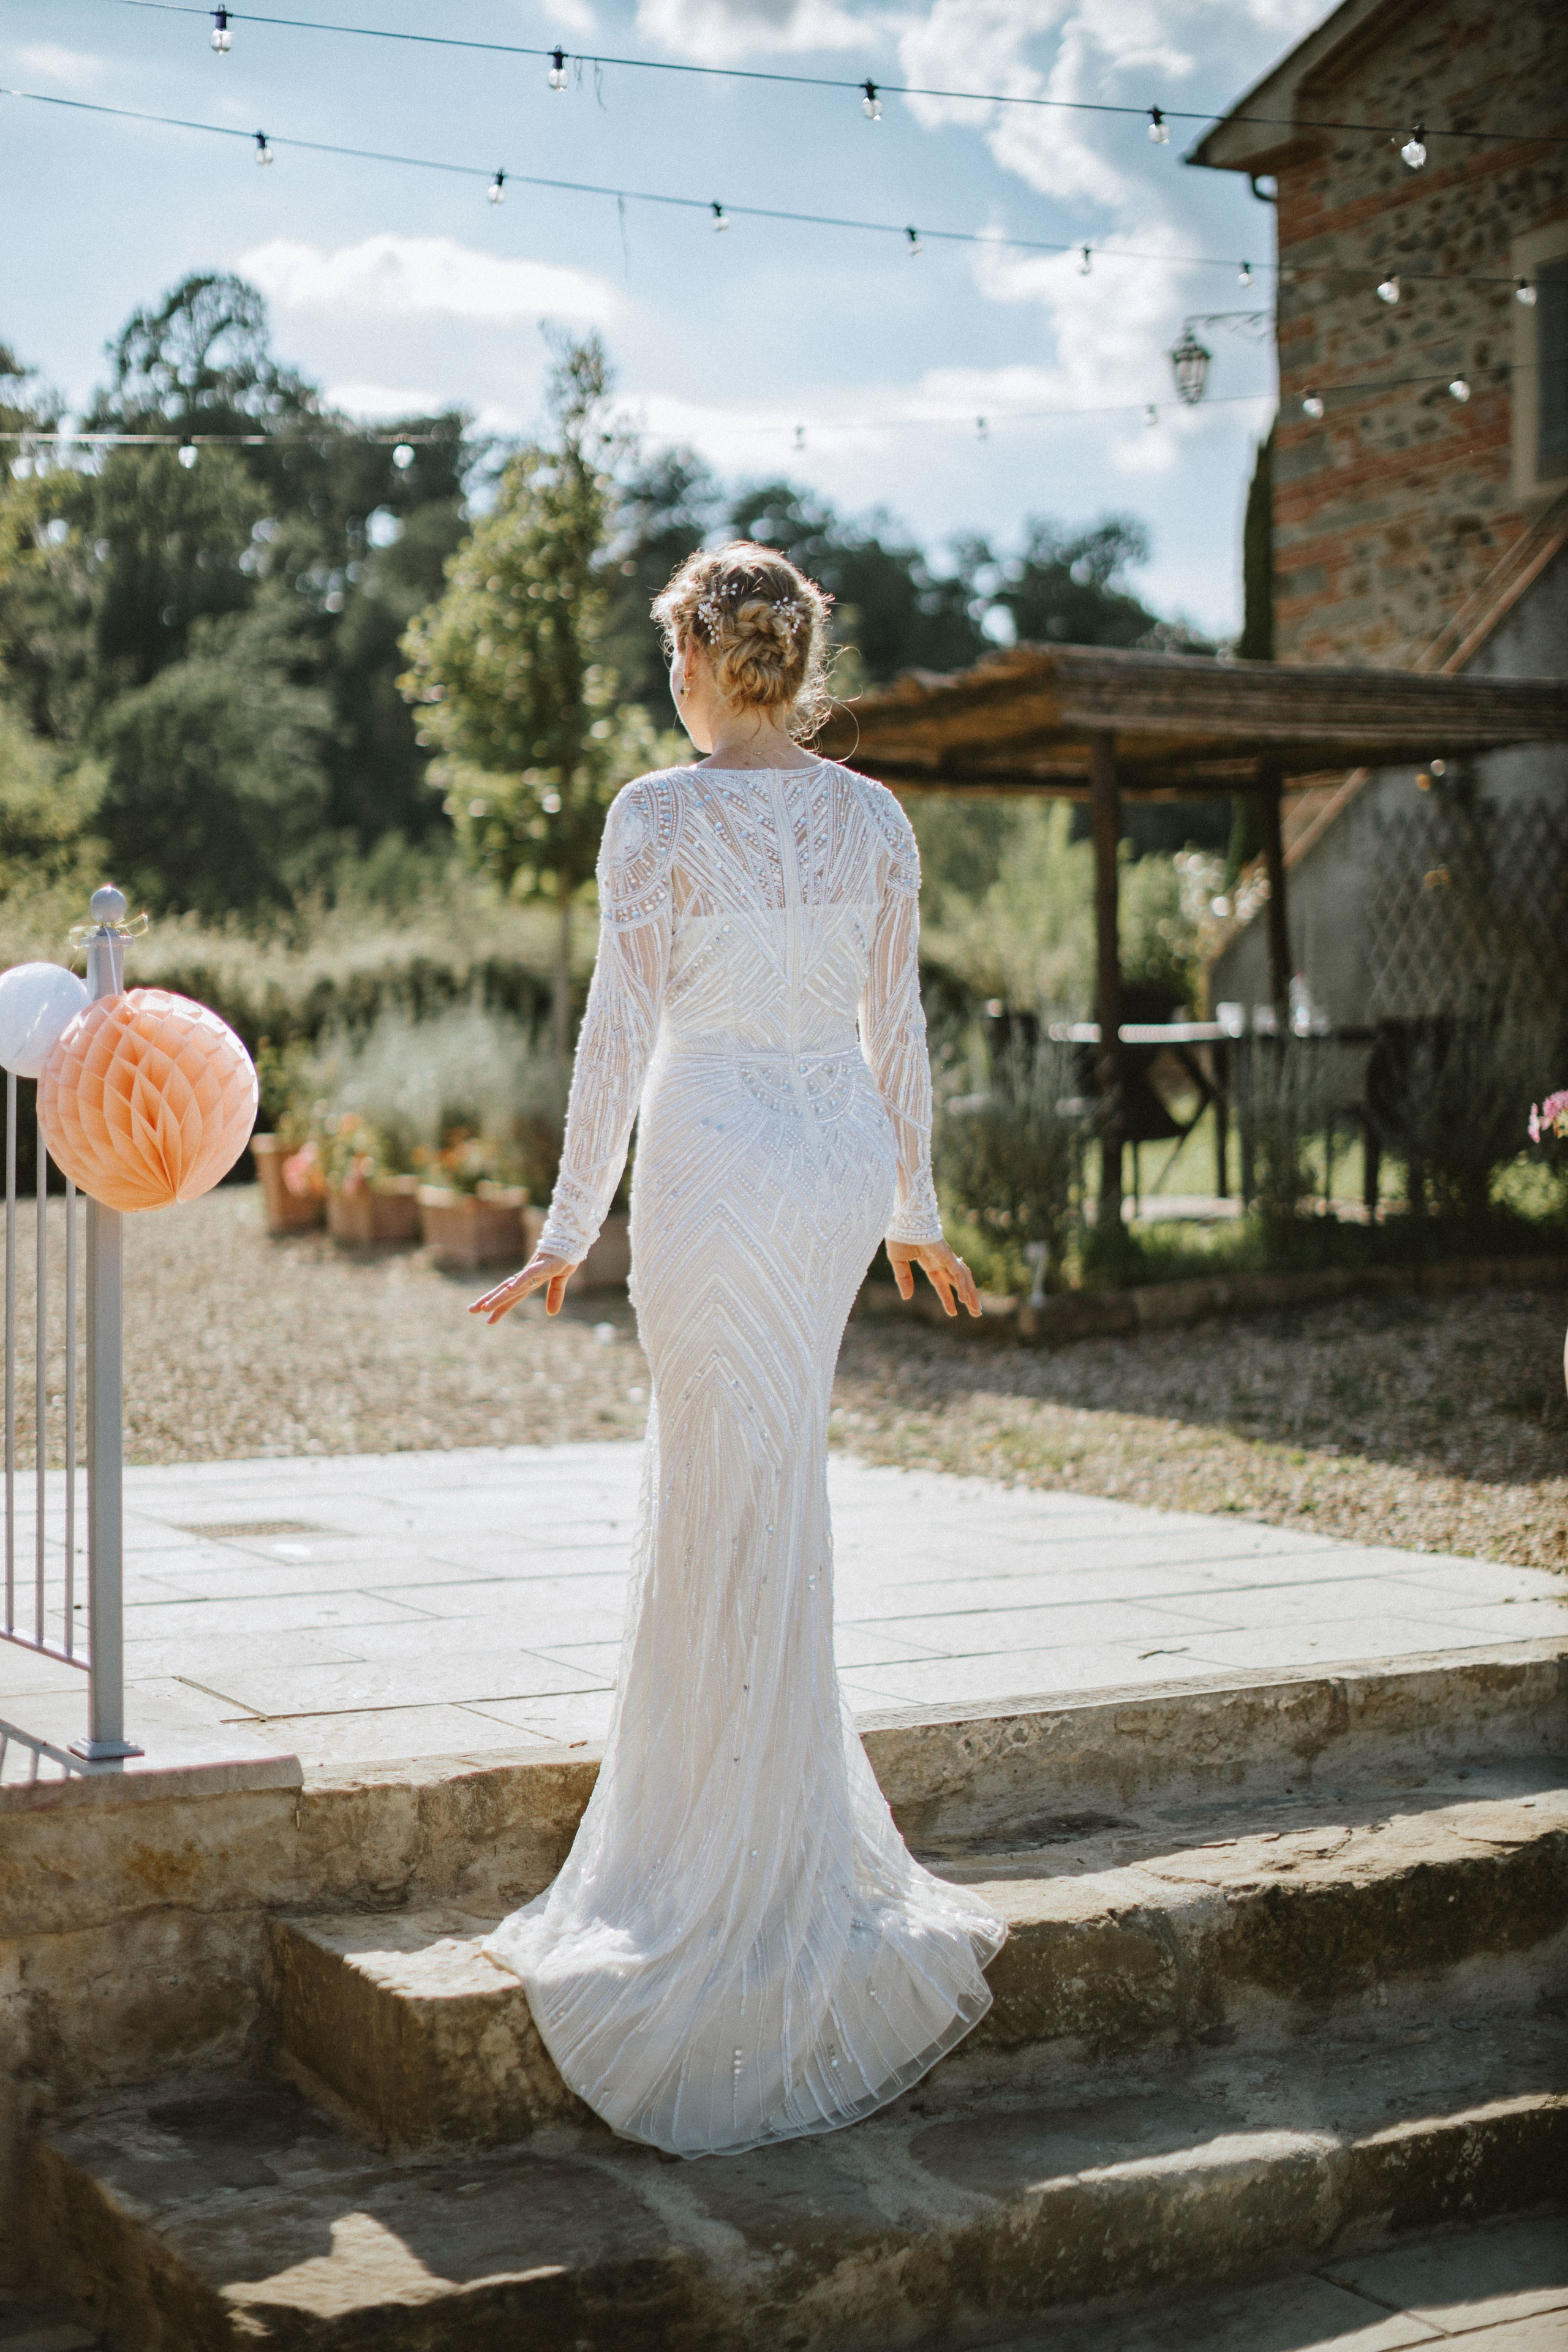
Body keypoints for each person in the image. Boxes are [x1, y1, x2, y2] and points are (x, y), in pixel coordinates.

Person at [471, 541, 1005, 2158]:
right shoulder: (873, 815)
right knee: (772, 1483)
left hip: (713, 1155)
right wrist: (912, 1200)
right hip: (833, 1160)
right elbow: (894, 1029)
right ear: (798, 659)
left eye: (674, 658)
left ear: (702, 660)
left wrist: (567, 1226)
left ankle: (716, 1875)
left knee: (722, 1489)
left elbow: (618, 1032)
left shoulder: (658, 813)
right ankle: (771, 1845)